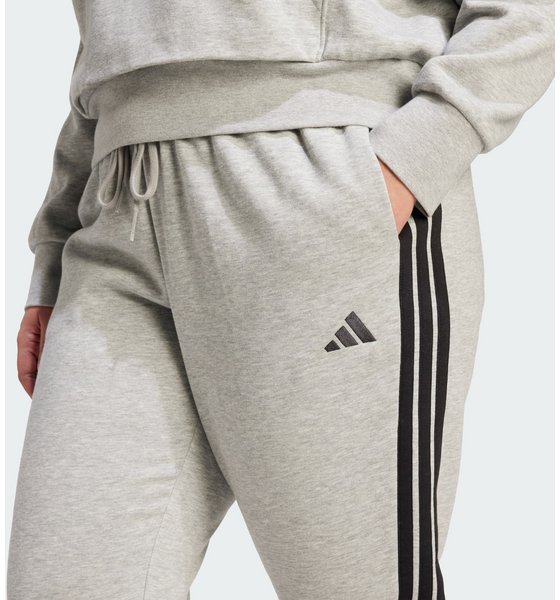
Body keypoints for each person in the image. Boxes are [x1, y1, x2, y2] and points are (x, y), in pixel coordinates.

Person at [7, 1, 554, 599]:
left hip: (316, 178)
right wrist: (56, 242)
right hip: (118, 206)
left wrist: (408, 161)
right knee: (66, 581)